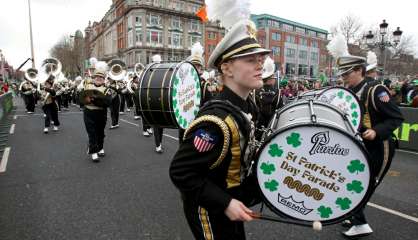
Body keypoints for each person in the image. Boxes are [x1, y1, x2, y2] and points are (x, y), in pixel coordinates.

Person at [170, 19, 270, 239]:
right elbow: (181, 172)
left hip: (232, 200)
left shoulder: (247, 106)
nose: (260, 65)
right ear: (226, 68)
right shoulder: (215, 121)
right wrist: (225, 203)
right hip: (209, 210)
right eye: (250, 60)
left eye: (260, 59)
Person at [336, 54, 404, 238]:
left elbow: (396, 117)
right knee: (350, 181)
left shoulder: (376, 90)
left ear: (359, 70)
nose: (343, 77)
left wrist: (376, 131)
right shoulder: (349, 90)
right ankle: (354, 216)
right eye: (342, 74)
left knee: (365, 184)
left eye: (347, 73)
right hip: (360, 146)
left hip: (380, 146)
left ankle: (360, 224)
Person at [81, 65, 112, 162]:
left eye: (101, 77)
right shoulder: (86, 87)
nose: (99, 78)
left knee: (100, 133)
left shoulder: (107, 89)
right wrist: (85, 100)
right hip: (88, 113)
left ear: (104, 79)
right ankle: (94, 152)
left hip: (101, 114)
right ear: (93, 78)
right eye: (97, 77)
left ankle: (100, 147)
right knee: (92, 133)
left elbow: (107, 103)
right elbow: (80, 100)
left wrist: (93, 100)